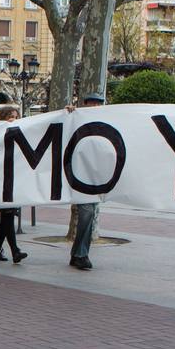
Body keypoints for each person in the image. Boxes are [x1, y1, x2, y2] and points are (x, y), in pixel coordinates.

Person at [67, 95, 105, 270]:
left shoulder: (106, 120)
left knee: (90, 214)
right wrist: (69, 113)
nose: (96, 106)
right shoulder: (76, 118)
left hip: (97, 176)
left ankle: (78, 254)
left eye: (99, 103)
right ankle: (81, 254)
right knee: (87, 212)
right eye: (92, 103)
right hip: (79, 174)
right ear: (85, 104)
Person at [0, 105, 26, 264]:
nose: (14, 119)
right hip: (0, 180)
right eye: (10, 116)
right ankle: (14, 250)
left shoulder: (20, 133)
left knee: (7, 216)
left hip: (13, 179)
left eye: (17, 116)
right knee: (8, 215)